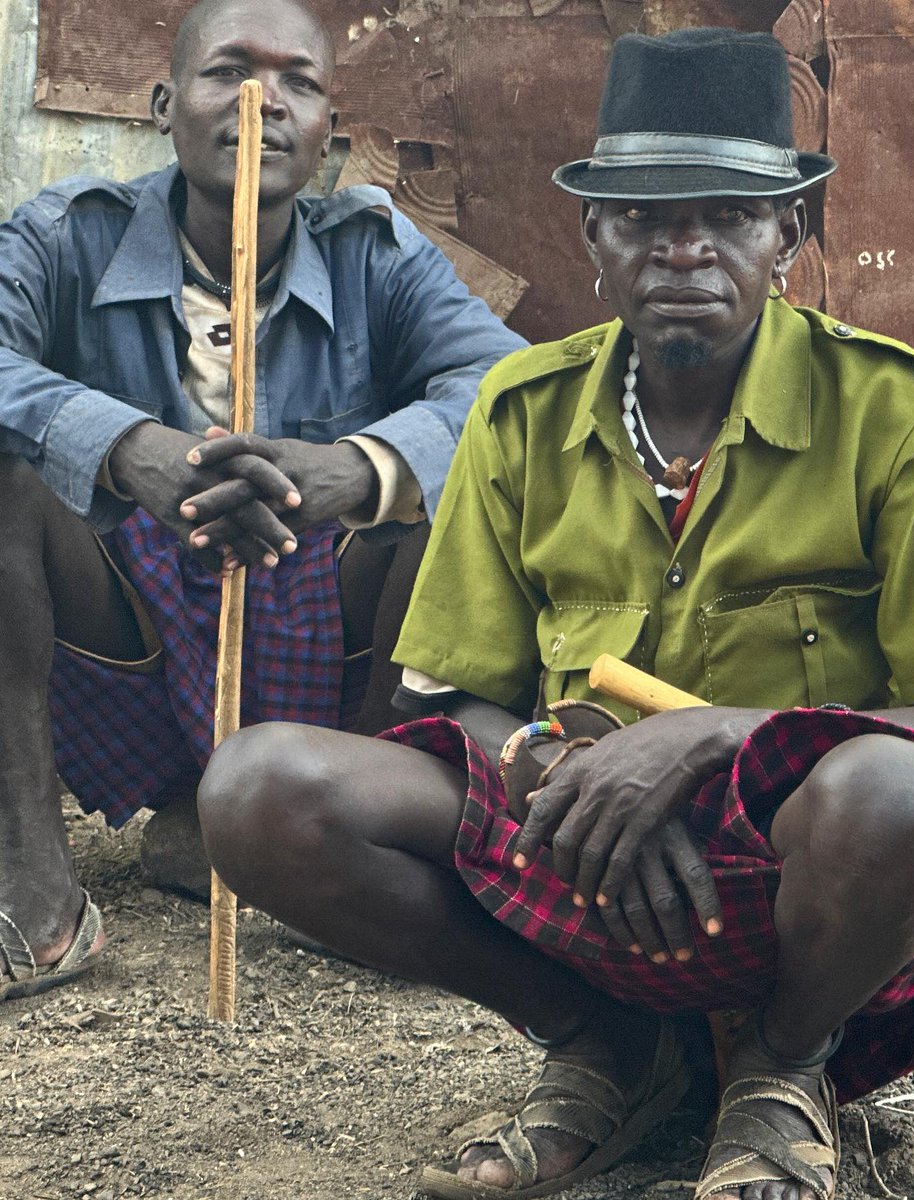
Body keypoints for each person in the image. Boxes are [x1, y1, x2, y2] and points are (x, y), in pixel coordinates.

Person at [198, 28, 914, 1200]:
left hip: (802, 855)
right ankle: (607, 1051)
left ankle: (779, 1070)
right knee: (257, 789)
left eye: (725, 215)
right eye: (646, 218)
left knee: (898, 788)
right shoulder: (517, 408)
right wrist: (562, 769)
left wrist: (715, 736)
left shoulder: (895, 414)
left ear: (787, 238)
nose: (685, 248)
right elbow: (447, 690)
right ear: (592, 239)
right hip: (577, 835)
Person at [0, 0, 525, 999]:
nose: (262, 102)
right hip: (132, 641)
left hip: (329, 641)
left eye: (299, 81)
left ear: (330, 128)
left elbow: (516, 393)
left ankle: (360, 852)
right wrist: (124, 447)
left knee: (467, 489)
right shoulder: (66, 237)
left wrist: (357, 468)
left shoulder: (377, 250)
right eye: (227, 73)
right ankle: (31, 882)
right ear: (162, 104)